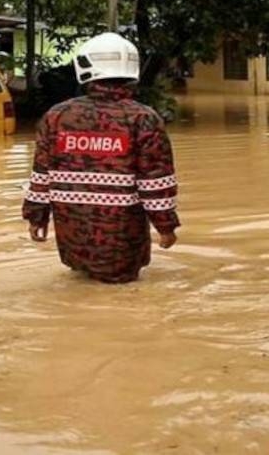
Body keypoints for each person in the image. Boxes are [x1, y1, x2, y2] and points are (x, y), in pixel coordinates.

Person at [22, 32, 180, 283]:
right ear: (132, 71)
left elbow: (41, 174)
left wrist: (36, 216)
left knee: (79, 285)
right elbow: (156, 181)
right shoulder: (143, 118)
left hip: (70, 232)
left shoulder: (57, 116)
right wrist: (166, 227)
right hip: (121, 240)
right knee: (119, 298)